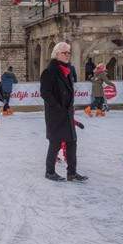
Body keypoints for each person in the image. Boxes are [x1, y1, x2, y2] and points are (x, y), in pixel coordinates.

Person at [41, 42, 88, 182]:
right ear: (56, 54)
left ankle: (72, 173)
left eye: (69, 52)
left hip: (67, 113)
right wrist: (57, 107)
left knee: (72, 142)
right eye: (64, 52)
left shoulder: (67, 70)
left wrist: (69, 109)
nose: (68, 55)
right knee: (55, 143)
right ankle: (49, 172)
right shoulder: (49, 72)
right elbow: (45, 93)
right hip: (56, 114)